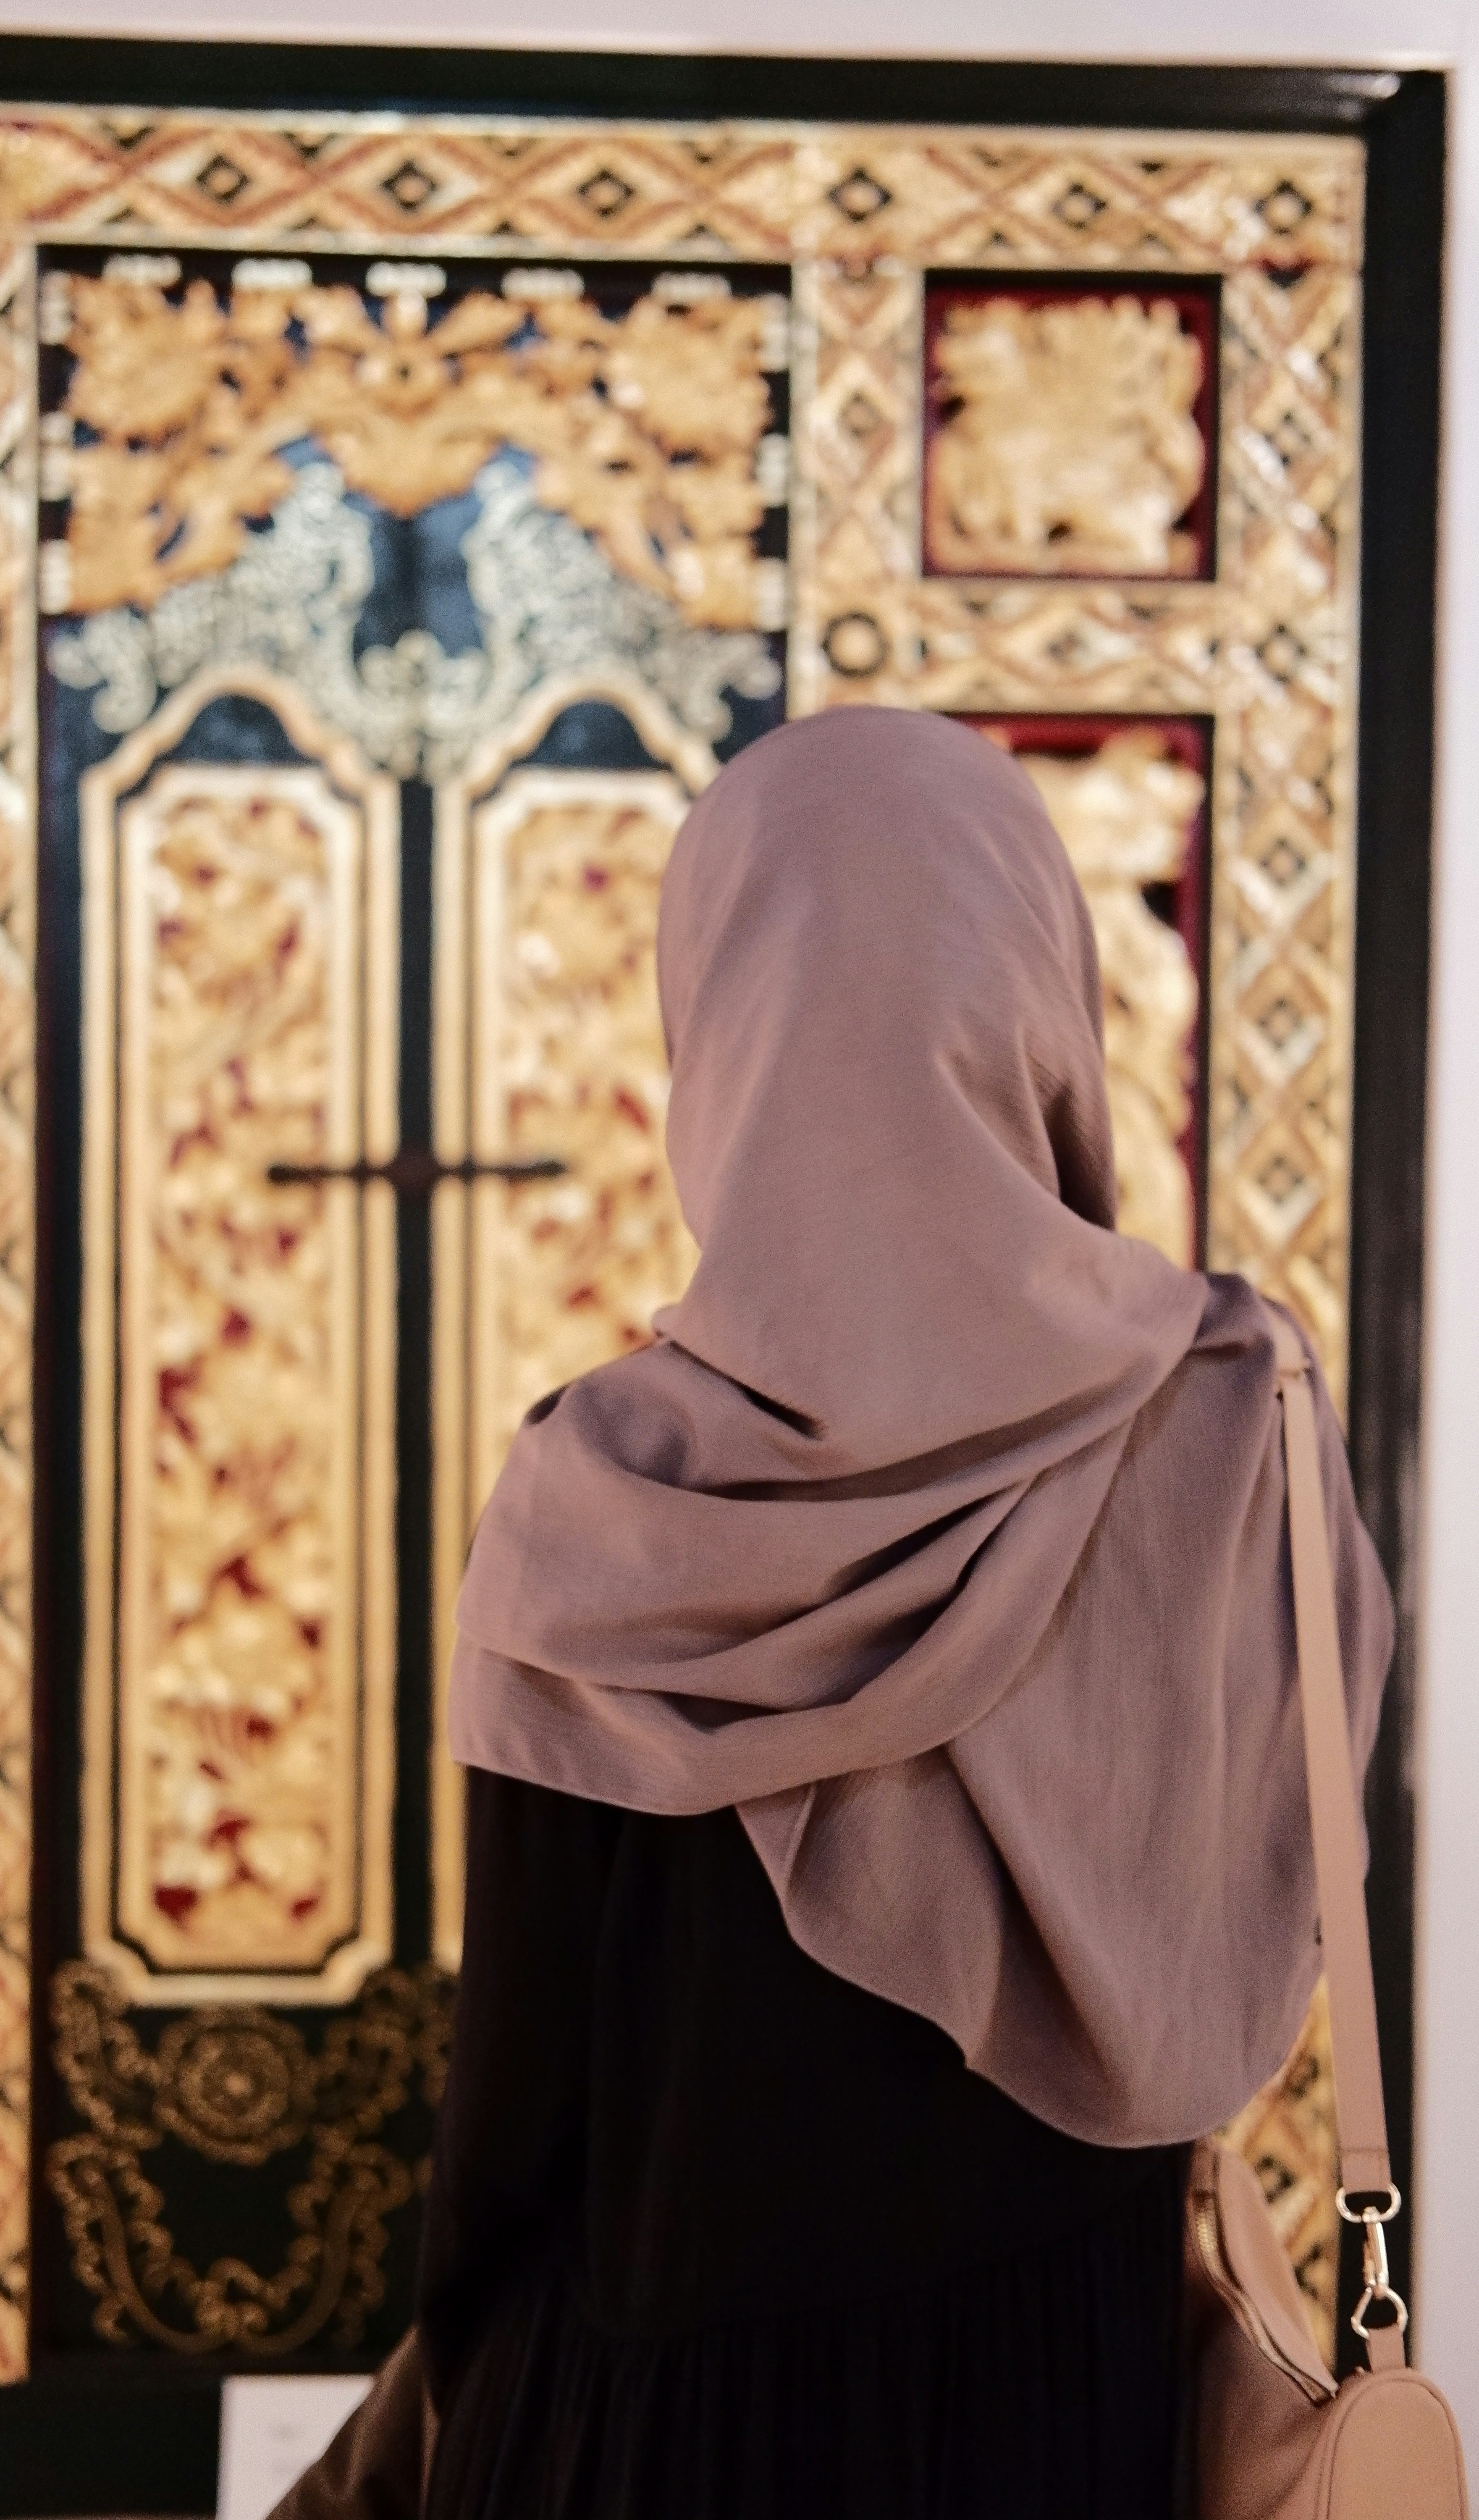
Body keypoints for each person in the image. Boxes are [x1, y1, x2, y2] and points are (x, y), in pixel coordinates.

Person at [286, 707, 1394, 2520]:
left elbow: (515, 2122)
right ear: (1037, 998)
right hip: (1074, 2423)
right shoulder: (1235, 1424)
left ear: (716, 1023)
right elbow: (1252, 1922)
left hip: (645, 2437)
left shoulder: (610, 1491)